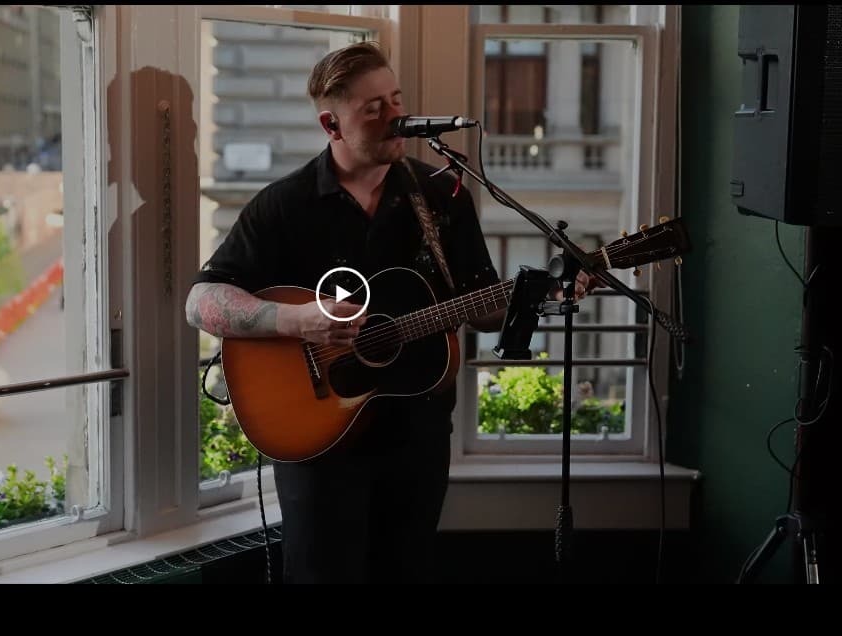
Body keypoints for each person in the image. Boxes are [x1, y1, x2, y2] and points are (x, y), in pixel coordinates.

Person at [185, 42, 593, 583]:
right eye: (373, 108)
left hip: (417, 436)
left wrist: (542, 297)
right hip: (319, 441)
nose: (395, 115)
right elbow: (202, 301)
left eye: (395, 98)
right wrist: (295, 320)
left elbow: (484, 303)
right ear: (332, 123)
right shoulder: (285, 205)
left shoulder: (441, 195)